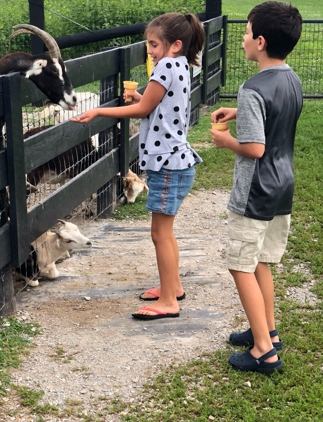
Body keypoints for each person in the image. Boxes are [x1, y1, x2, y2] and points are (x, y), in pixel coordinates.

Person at [71, 12, 205, 320]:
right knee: (164, 233)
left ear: (175, 45)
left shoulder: (166, 65)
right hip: (174, 162)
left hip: (169, 165)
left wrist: (99, 113)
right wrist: (138, 95)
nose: (150, 50)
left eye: (154, 44)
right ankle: (172, 287)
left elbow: (144, 109)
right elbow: (156, 105)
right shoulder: (181, 66)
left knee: (161, 234)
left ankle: (169, 301)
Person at [210, 1, 303, 373]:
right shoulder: (291, 77)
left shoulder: (251, 88)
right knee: (262, 261)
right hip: (283, 187)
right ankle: (268, 331)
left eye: (246, 32)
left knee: (241, 266)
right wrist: (239, 112)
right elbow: (277, 115)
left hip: (255, 192)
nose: (243, 39)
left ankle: (264, 351)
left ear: (260, 41)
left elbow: (254, 148)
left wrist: (225, 140)